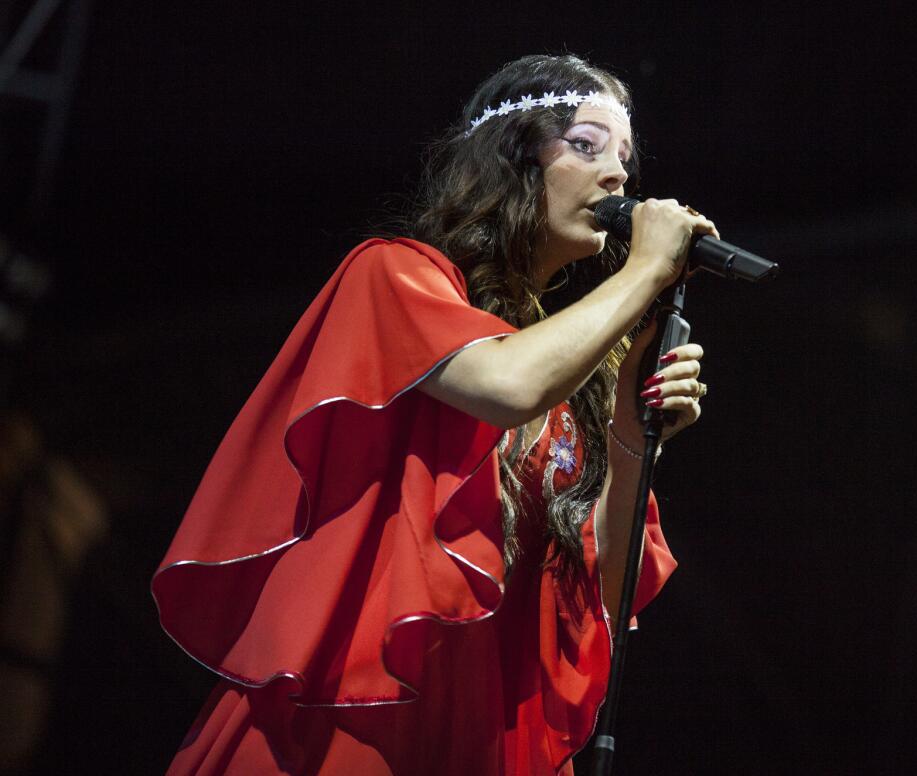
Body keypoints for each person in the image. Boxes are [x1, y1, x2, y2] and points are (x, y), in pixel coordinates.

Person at [152, 54, 715, 775]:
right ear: (512, 156)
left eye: (625, 161)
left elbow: (601, 594)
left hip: (479, 737)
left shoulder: (573, 375)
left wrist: (633, 434)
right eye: (584, 145)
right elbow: (506, 384)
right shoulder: (393, 274)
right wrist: (647, 272)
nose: (617, 178)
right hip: (353, 717)